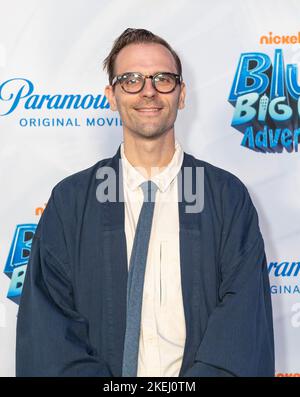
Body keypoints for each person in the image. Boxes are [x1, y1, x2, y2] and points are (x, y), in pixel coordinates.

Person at [16, 28, 275, 377]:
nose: (148, 91)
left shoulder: (225, 198)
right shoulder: (70, 203)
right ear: (112, 95)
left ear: (181, 94)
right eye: (132, 79)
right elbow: (50, 334)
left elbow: (241, 328)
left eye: (163, 79)